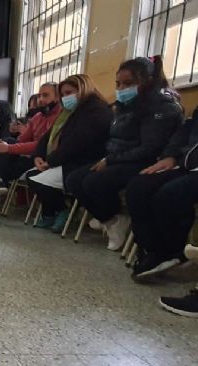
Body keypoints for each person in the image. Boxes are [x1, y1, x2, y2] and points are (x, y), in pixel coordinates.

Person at [65, 56, 183, 250]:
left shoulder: (163, 108)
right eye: (118, 83)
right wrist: (107, 158)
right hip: (118, 158)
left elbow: (149, 148)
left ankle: (112, 219)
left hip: (143, 161)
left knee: (93, 182)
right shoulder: (123, 107)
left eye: (128, 83)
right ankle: (112, 219)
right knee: (74, 179)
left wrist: (110, 159)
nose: (121, 89)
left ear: (148, 82)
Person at [0, 82, 61, 222]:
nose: (40, 99)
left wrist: (8, 147)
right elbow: (22, 140)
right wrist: (6, 145)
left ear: (57, 97)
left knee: (4, 152)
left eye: (45, 95)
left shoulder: (60, 118)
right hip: (27, 158)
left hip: (44, 159)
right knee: (2, 159)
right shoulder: (37, 118)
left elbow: (41, 145)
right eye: (39, 95)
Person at [27, 74, 113, 232]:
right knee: (32, 176)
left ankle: (62, 211)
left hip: (83, 161)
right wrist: (38, 155)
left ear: (83, 89)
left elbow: (77, 143)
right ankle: (52, 213)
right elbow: (48, 136)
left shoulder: (96, 111)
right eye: (63, 94)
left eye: (69, 93)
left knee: (38, 180)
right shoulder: (71, 112)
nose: (66, 98)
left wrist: (50, 161)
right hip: (68, 159)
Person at [125, 105, 198, 281]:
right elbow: (185, 131)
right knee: (138, 186)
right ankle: (149, 249)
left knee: (170, 194)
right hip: (188, 165)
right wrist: (170, 156)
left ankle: (171, 252)